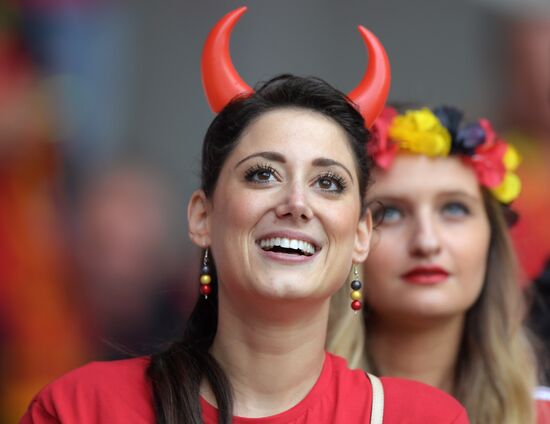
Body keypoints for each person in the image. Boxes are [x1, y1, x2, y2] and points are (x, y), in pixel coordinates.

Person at [20, 8, 469, 424]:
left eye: (328, 182)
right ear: (201, 217)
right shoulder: (82, 407)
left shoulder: (424, 417)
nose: (296, 202)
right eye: (262, 174)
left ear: (361, 234)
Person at [327, 105, 550, 424]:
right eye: (390, 213)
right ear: (352, 237)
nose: (427, 242)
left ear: (492, 242)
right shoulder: (286, 407)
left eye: (455, 209)